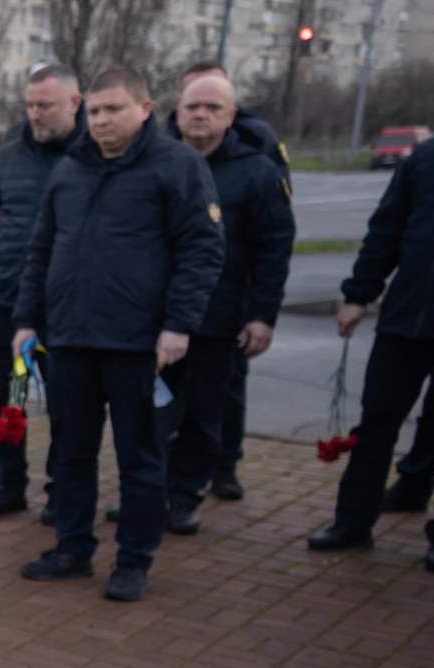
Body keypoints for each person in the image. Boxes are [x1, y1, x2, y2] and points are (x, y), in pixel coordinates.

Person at [14, 65, 224, 603]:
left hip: (141, 346)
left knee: (141, 460)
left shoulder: (176, 166)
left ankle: (133, 559)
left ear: (146, 109)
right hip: (71, 341)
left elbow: (201, 252)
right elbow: (42, 249)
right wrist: (26, 319)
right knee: (72, 453)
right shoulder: (70, 168)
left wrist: (179, 325)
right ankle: (73, 548)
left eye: (115, 110)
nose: (102, 121)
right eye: (97, 111)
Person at [155, 75, 292, 535]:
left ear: (231, 116)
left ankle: (184, 496)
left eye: (213, 107)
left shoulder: (257, 172)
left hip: (219, 317)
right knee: (150, 411)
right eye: (193, 106)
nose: (201, 115)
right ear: (177, 111)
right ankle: (148, 491)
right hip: (154, 314)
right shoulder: (155, 161)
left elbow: (273, 249)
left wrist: (261, 314)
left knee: (203, 413)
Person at [0, 64, 84, 519]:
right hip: (8, 300)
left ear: (74, 104)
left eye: (45, 105)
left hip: (69, 306)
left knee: (68, 406)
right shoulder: (8, 159)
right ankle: (10, 483)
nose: (36, 114)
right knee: (9, 396)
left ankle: (60, 488)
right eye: (30, 105)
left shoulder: (92, 157)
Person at [310, 133, 434, 573]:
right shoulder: (426, 157)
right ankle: (352, 522)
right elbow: (387, 228)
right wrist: (358, 294)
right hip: (406, 320)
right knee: (376, 423)